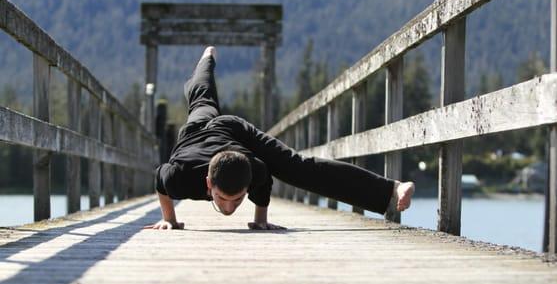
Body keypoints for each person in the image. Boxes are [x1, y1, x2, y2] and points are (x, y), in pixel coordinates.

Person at [147, 46, 415, 230]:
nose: (229, 208)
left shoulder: (256, 170)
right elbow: (160, 177)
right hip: (197, 132)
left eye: (238, 199)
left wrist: (260, 220)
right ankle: (206, 60)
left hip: (232, 131)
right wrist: (169, 219)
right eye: (222, 198)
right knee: (201, 96)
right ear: (208, 184)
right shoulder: (178, 178)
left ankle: (392, 188)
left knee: (297, 167)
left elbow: (263, 182)